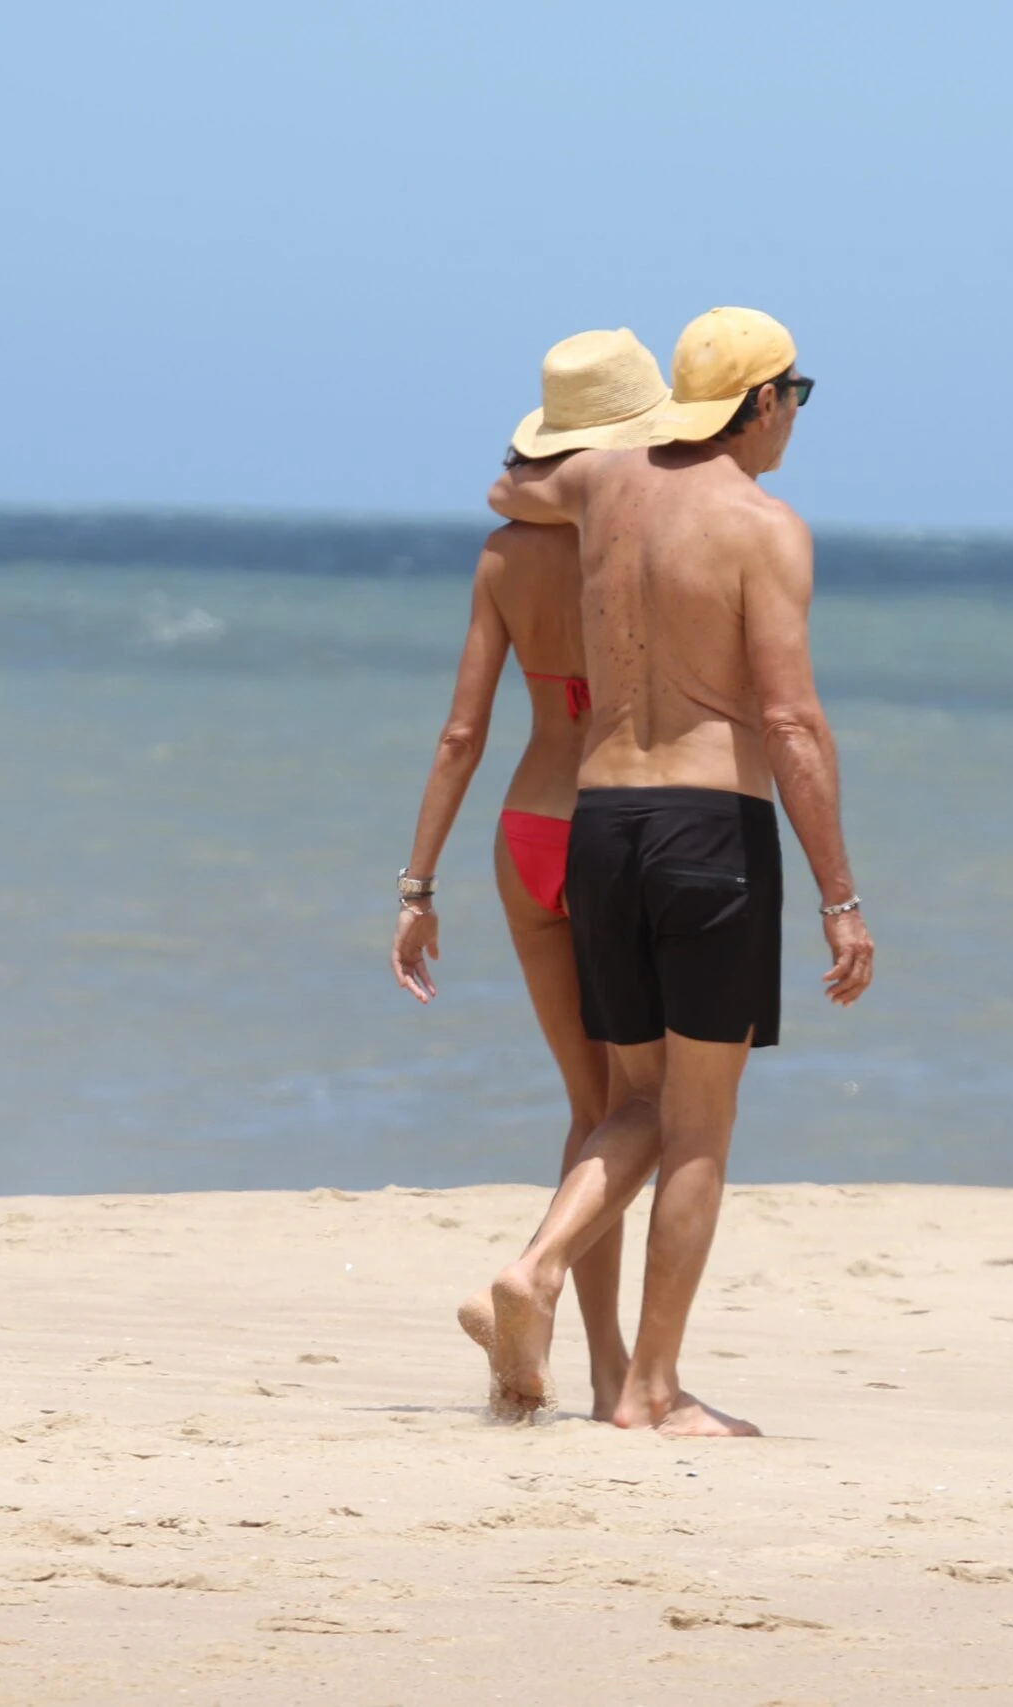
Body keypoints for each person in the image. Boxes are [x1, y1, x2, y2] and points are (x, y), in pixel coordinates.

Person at [468, 306, 875, 1437]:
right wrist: (840, 895)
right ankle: (650, 1389)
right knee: (697, 1125)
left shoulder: (604, 485)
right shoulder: (763, 525)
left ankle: (538, 1264)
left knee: (629, 1101)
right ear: (758, 404)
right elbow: (791, 722)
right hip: (709, 834)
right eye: (795, 392)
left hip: (600, 824)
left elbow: (510, 489)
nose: (796, 413)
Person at [391, 327, 675, 1419]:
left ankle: (587, 1362)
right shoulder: (641, 539)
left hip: (524, 830)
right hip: (617, 824)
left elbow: (460, 733)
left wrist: (417, 887)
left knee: (585, 1105)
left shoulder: (504, 553)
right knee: (646, 1105)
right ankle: (548, 1293)